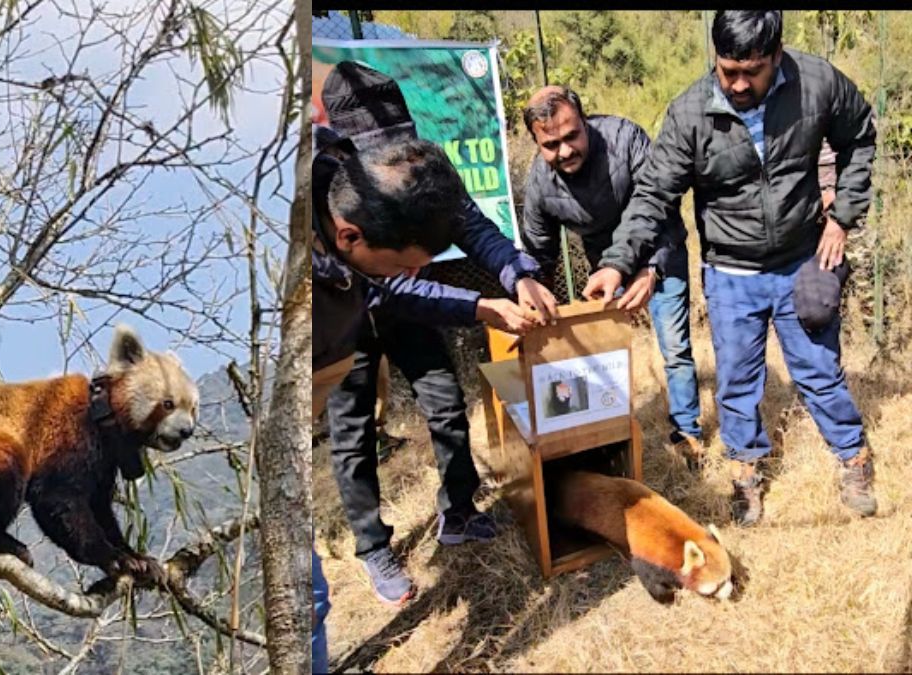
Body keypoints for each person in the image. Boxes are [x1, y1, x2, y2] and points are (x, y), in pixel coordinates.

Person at [317, 61, 560, 607]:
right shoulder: (328, 193)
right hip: (346, 326)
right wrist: (480, 307)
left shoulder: (420, 169)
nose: (397, 162)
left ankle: (459, 510)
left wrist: (517, 273)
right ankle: (373, 547)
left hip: (411, 310)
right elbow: (383, 290)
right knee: (353, 435)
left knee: (446, 402)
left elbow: (471, 224)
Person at [621, 10, 878, 525]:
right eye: (727, 70)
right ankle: (746, 474)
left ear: (776, 56)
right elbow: (653, 193)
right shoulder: (690, 112)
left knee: (818, 372)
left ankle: (854, 459)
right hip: (731, 270)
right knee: (737, 380)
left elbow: (861, 138)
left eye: (751, 72)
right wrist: (617, 260)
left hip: (804, 257)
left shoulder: (818, 82)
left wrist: (842, 219)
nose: (738, 84)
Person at [518, 85, 704, 469]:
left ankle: (687, 433)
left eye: (572, 136)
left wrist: (650, 270)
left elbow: (664, 208)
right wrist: (538, 305)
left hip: (659, 249)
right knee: (599, 352)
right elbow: (540, 255)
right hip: (603, 264)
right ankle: (604, 436)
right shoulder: (539, 184)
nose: (565, 150)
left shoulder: (626, 139)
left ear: (586, 122)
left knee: (675, 349)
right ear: (536, 143)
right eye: (551, 144)